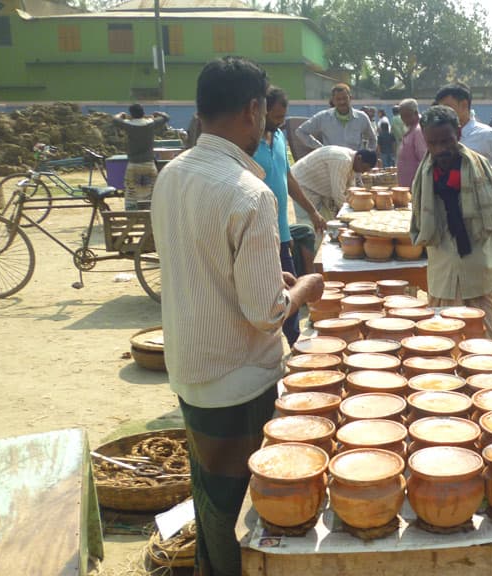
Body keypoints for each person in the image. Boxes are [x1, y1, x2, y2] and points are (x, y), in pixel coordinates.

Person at [150, 56, 325, 576]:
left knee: (209, 497)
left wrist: (273, 283)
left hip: (189, 369)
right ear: (253, 109)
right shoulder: (248, 192)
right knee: (242, 511)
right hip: (237, 384)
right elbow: (265, 314)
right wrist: (304, 290)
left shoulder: (172, 175)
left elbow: (203, 268)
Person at [408, 105, 492, 339]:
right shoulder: (423, 178)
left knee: (486, 349)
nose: (440, 149)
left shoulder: (484, 171)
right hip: (443, 277)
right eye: (433, 143)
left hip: (479, 275)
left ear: (458, 134)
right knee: (443, 348)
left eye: (446, 141)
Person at [252, 85, 326, 346]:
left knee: (289, 289)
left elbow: (288, 178)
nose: (280, 122)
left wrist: (313, 211)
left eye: (283, 117)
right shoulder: (249, 145)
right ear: (260, 112)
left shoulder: (280, 137)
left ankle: (295, 345)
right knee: (266, 297)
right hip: (257, 233)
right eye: (275, 117)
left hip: (281, 232)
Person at [289, 145, 377, 231]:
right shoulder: (343, 161)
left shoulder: (353, 163)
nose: (362, 172)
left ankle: (319, 242)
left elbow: (350, 190)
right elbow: (338, 195)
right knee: (310, 224)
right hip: (302, 184)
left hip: (317, 187)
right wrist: (351, 215)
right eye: (364, 168)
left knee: (325, 221)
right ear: (359, 158)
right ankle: (306, 244)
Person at [435, 82, 492, 173]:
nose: (442, 113)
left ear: (464, 105)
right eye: (440, 109)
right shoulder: (441, 138)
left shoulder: (486, 135)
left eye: (446, 108)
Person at [113, 103, 169, 209]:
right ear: (143, 113)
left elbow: (115, 120)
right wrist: (158, 113)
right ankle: (150, 216)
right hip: (149, 163)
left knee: (131, 192)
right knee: (152, 192)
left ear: (132, 114)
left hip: (133, 164)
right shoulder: (151, 124)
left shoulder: (128, 125)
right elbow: (166, 117)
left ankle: (131, 216)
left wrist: (121, 114)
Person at [296, 83, 377, 151]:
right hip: (332, 163)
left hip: (355, 164)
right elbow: (300, 132)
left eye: (345, 98)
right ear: (333, 100)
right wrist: (321, 149)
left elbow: (373, 139)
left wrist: (367, 154)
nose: (342, 102)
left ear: (350, 98)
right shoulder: (323, 117)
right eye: (338, 99)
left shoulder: (361, 117)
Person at [397, 98, 427, 187]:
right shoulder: (411, 128)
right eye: (402, 116)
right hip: (407, 184)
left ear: (415, 113)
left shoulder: (419, 131)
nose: (403, 119)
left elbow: (423, 159)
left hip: (415, 185)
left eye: (406, 116)